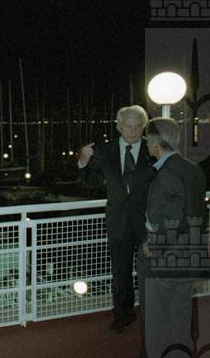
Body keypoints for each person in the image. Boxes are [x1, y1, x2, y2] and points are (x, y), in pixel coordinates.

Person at [78, 105, 155, 333]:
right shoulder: (104, 151)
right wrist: (83, 160)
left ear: (144, 126)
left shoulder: (153, 149)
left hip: (148, 221)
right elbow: (92, 182)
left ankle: (154, 315)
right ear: (118, 126)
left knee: (152, 271)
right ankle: (123, 316)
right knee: (120, 274)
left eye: (138, 126)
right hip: (118, 221)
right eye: (128, 126)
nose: (133, 131)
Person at [138, 117, 207, 358]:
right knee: (180, 316)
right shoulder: (193, 169)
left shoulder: (167, 174)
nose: (147, 145)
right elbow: (199, 212)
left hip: (168, 256)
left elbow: (173, 218)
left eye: (147, 140)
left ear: (156, 143)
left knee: (158, 318)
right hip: (190, 253)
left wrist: (154, 245)